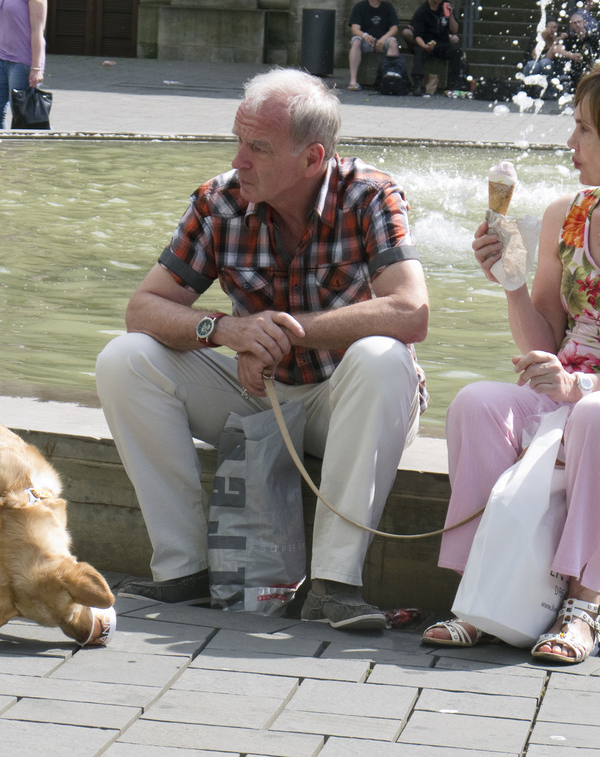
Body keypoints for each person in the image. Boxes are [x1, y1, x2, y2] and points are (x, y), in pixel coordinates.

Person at [95, 68, 430, 631]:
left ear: (312, 157)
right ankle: (183, 572)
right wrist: (226, 332)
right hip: (261, 395)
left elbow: (411, 311)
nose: (239, 159)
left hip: (348, 401)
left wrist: (283, 331)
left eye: (258, 147)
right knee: (124, 359)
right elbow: (144, 308)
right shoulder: (218, 201)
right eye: (238, 140)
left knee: (383, 356)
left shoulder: (370, 193)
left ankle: (333, 584)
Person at [421, 58, 600, 663]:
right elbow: (545, 336)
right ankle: (478, 596)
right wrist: (509, 278)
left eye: (584, 129)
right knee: (477, 403)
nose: (569, 141)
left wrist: (579, 386)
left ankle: (583, 608)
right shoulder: (568, 215)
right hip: (566, 399)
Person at [0, 0, 46, 128]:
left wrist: (36, 68)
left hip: (23, 62)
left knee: (23, 116)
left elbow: (38, 31)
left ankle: (32, 144)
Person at [408, 0, 463, 95]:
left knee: (456, 51)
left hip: (442, 43)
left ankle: (453, 84)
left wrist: (450, 17)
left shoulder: (445, 8)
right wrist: (424, 46)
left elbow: (454, 30)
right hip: (426, 42)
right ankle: (417, 83)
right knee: (419, 52)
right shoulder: (422, 11)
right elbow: (417, 35)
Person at [346, 0, 399, 92]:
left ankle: (391, 81)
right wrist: (364, 35)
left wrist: (383, 39)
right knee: (356, 41)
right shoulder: (359, 7)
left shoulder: (388, 7)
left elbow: (394, 28)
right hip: (367, 41)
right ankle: (353, 81)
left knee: (393, 42)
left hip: (382, 40)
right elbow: (355, 29)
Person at [552, 11, 600, 94]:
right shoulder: (570, 38)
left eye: (579, 22)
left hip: (592, 69)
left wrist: (598, 62)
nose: (577, 24)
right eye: (574, 23)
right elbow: (556, 49)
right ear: (571, 26)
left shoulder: (593, 36)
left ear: (584, 23)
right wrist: (571, 55)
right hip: (575, 71)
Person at [521, 19, 565, 99]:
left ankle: (546, 91)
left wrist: (555, 42)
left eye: (554, 27)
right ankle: (531, 90)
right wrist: (542, 40)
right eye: (548, 27)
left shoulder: (558, 40)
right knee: (533, 65)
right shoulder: (536, 38)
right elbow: (534, 56)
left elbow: (548, 58)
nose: (551, 30)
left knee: (545, 63)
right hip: (532, 66)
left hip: (550, 70)